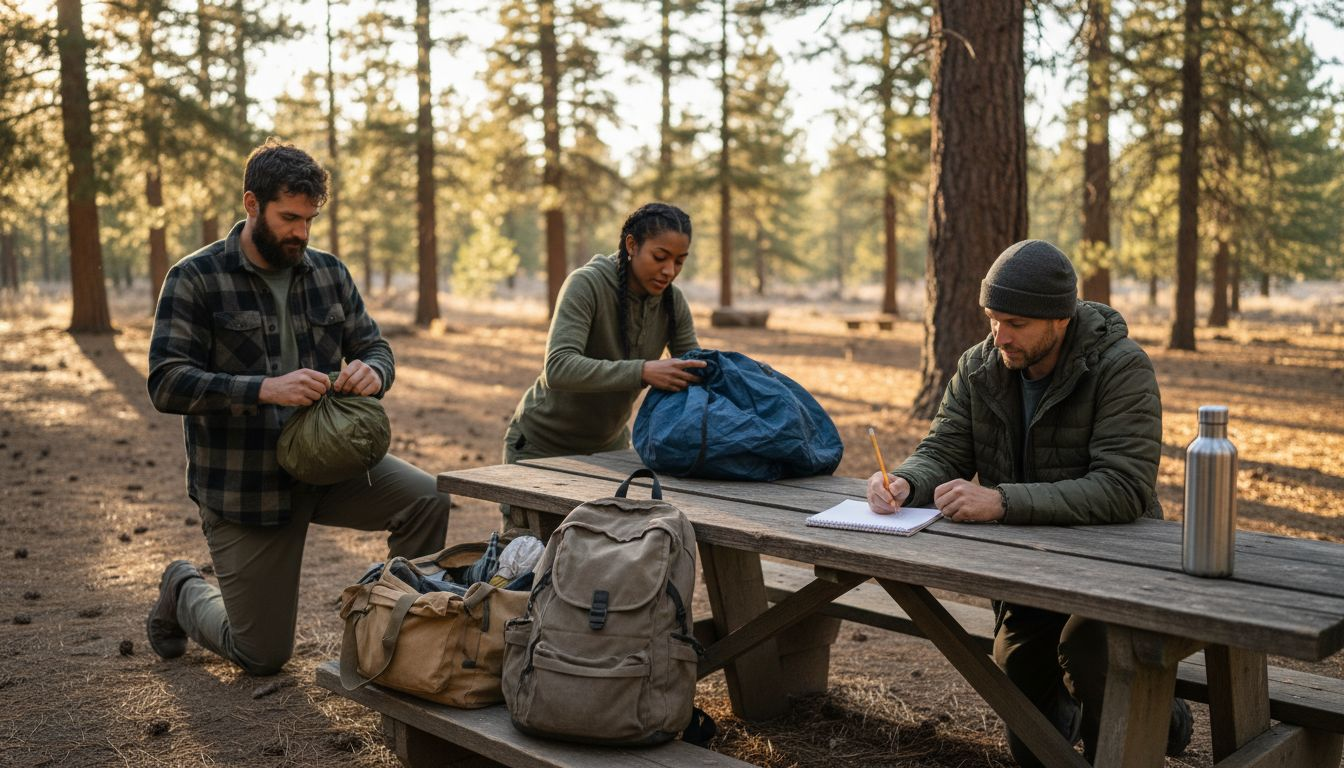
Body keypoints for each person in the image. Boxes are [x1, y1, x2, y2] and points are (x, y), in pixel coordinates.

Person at [865, 240, 1192, 765]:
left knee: (1093, 655)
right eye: (993, 319)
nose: (1000, 336)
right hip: (1028, 569)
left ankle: (1161, 724)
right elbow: (944, 449)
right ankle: (1068, 726)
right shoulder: (980, 366)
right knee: (1017, 683)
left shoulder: (1121, 368)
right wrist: (904, 481)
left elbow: (1124, 487)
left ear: (1060, 319)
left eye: (1015, 323)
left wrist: (1001, 501)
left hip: (1117, 565)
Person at [145, 139, 450, 676]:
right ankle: (182, 587)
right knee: (262, 655)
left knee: (427, 500)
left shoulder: (329, 272)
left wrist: (373, 373)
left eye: (310, 219)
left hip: (330, 467)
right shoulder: (195, 278)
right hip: (247, 487)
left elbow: (376, 347)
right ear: (251, 204)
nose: (301, 233)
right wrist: (264, 388)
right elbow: (166, 383)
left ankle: (397, 632)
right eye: (289, 218)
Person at [501, 202, 705, 528]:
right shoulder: (587, 284)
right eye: (660, 257)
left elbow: (694, 369)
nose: (670, 271)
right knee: (528, 563)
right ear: (631, 245)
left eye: (680, 261)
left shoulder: (672, 301)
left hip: (609, 452)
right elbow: (558, 367)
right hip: (542, 447)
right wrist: (642, 371)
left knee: (601, 559)